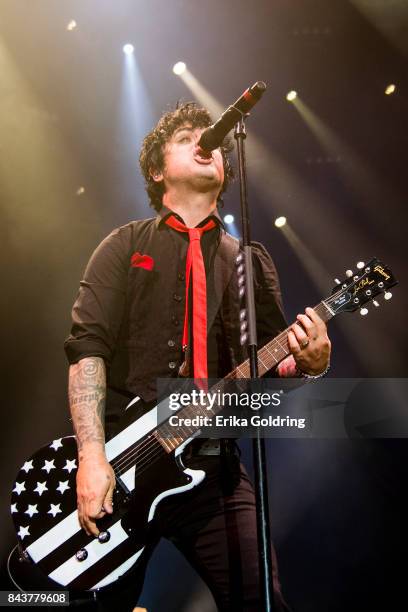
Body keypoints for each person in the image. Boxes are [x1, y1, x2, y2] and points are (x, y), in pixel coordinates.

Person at [64, 102, 331, 611]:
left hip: (212, 468)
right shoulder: (124, 246)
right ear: (157, 170)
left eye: (210, 142)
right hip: (121, 464)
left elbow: (273, 372)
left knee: (261, 600)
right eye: (186, 137)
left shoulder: (246, 261)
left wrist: (312, 365)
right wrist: (92, 457)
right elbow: (87, 350)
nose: (205, 142)